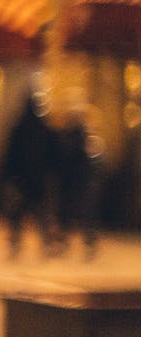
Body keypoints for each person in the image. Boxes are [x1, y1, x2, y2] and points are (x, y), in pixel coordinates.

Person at [0, 93, 54, 259]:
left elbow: (9, 155)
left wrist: (7, 176)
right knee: (41, 215)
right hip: (38, 181)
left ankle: (16, 243)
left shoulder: (18, 127)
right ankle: (45, 244)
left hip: (19, 180)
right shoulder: (44, 128)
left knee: (16, 214)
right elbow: (54, 155)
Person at [51, 106, 101, 258]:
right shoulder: (85, 138)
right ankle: (82, 243)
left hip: (75, 182)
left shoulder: (74, 138)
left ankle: (79, 243)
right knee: (78, 214)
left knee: (75, 214)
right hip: (77, 182)